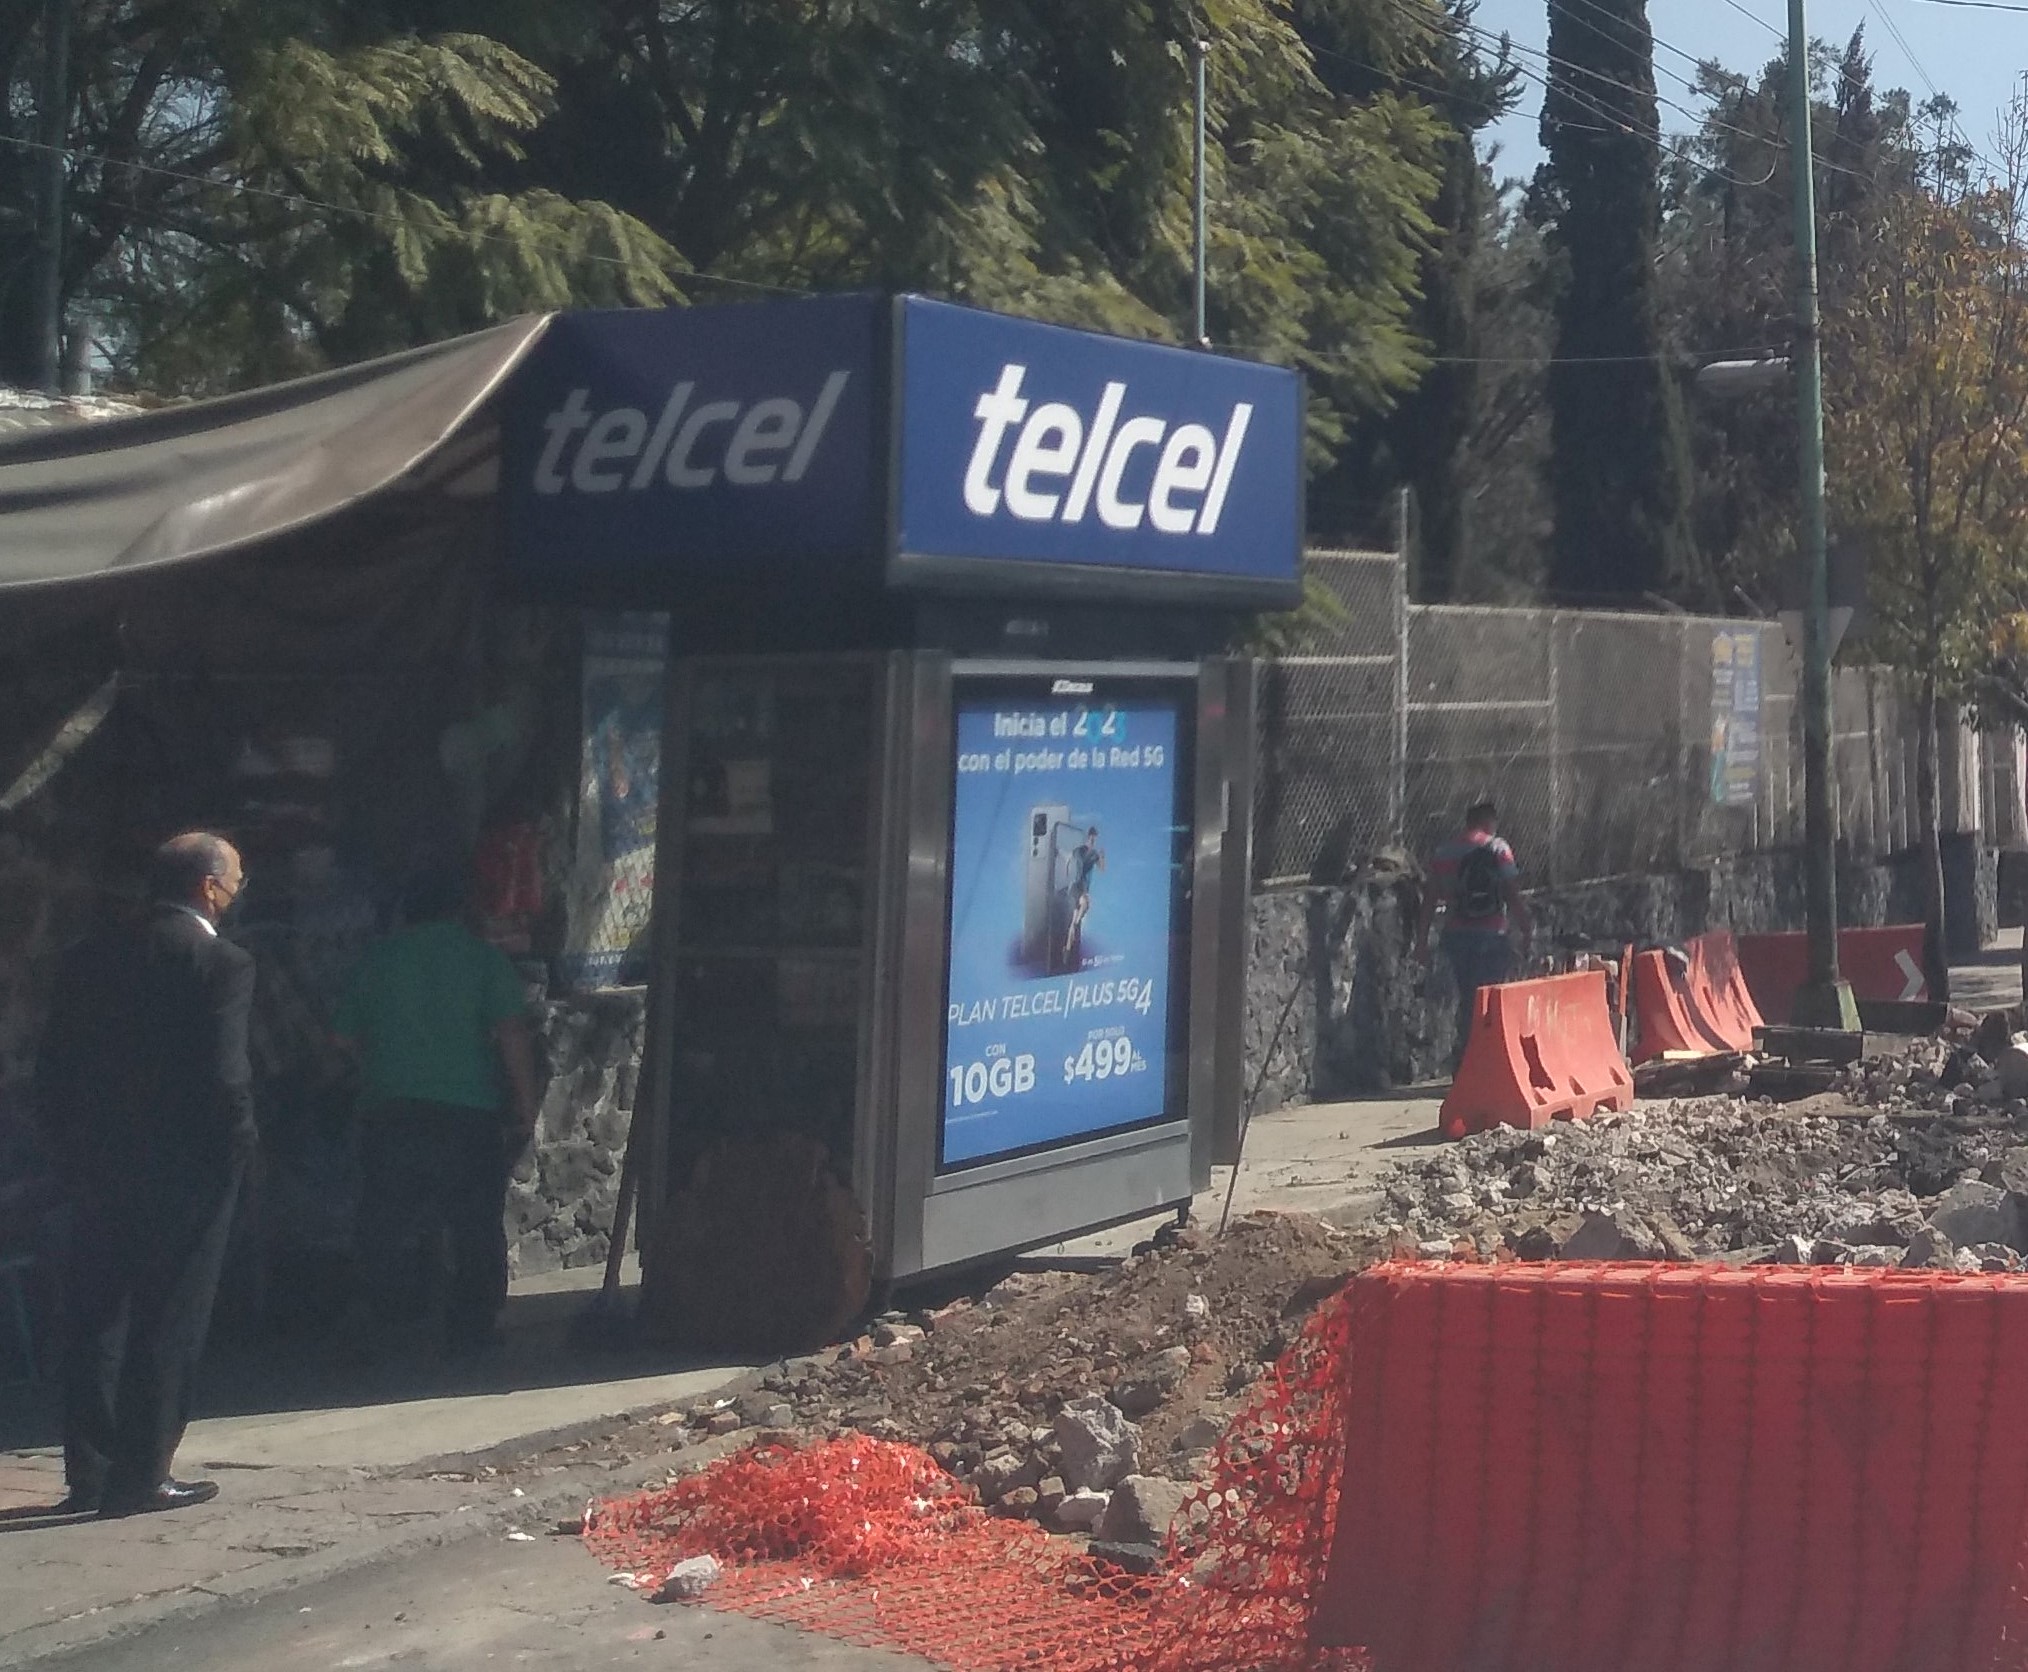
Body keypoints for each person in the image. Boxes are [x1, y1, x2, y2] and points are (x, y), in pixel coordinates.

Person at [35, 832, 256, 1517]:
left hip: (97, 1163)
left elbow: (53, 1067)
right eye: (235, 880)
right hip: (188, 1167)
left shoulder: (88, 957)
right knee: (170, 1316)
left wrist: (68, 1147)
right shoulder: (219, 963)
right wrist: (240, 1148)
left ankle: (92, 1469)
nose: (238, 892)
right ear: (208, 888)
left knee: (96, 1316)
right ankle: (144, 1472)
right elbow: (224, 1075)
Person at [333, 863, 538, 1352]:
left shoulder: (377, 960)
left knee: (383, 1219)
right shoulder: (483, 960)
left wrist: (378, 1068)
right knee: (474, 1223)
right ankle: (474, 1326)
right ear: (461, 908)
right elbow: (513, 1037)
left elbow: (340, 1040)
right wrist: (526, 1106)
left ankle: (375, 1316)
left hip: (390, 1107)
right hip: (468, 1111)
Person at [1415, 801, 1533, 1069]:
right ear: (1489, 822)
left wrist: (1421, 941)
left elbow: (1430, 900)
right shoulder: (1498, 848)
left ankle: (1466, 1061)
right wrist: (1526, 930)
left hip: (1456, 937)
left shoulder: (1445, 853)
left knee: (1466, 1000)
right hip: (1492, 936)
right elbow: (1512, 894)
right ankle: (1485, 1062)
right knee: (1489, 1002)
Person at [1063, 824, 1106, 965]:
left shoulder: (1094, 854)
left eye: (1094, 839)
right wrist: (1067, 873)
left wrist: (1102, 857)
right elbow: (1069, 858)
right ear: (1088, 837)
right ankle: (1076, 924)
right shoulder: (1080, 850)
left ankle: (1067, 950)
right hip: (1077, 887)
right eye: (1091, 838)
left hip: (1082, 888)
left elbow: (1102, 869)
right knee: (1086, 903)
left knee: (1074, 920)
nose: (1093, 841)